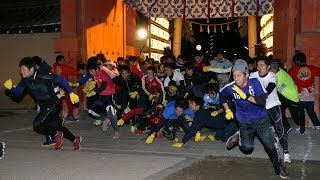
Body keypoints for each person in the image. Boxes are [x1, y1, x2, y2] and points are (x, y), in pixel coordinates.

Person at [219, 59, 288, 179]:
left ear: (246, 75)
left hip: (261, 119)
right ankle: (239, 135)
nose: (236, 79)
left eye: (239, 75)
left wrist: (245, 96)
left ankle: (279, 168)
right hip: (244, 121)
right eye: (234, 76)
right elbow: (222, 95)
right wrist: (227, 109)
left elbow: (262, 101)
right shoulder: (231, 86)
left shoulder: (255, 83)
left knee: (270, 146)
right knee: (247, 148)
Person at [4, 57, 82, 151]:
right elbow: (19, 92)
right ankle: (75, 140)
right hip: (44, 106)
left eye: (24, 69)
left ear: (31, 69)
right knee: (56, 127)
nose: (21, 71)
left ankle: (56, 134)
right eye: (21, 69)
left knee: (37, 124)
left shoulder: (43, 75)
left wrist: (71, 93)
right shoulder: (25, 80)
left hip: (53, 104)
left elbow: (61, 80)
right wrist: (11, 89)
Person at [250, 57, 291, 163]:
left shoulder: (272, 76)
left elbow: (271, 86)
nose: (259, 67)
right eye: (258, 65)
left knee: (279, 128)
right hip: (260, 107)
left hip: (273, 105)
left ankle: (286, 153)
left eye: (262, 65)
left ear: (268, 67)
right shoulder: (253, 76)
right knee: (257, 128)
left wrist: (263, 95)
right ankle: (273, 140)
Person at [171, 96, 237, 148]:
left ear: (197, 106)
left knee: (224, 138)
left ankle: (237, 133)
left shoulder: (200, 114)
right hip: (222, 126)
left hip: (231, 124)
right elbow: (198, 125)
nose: (190, 105)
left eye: (192, 103)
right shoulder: (200, 113)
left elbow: (193, 128)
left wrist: (182, 142)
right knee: (217, 136)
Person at [288, 52, 320, 133]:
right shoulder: (312, 68)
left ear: (295, 61)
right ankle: (317, 125)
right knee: (311, 111)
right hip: (310, 94)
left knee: (300, 112)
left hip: (299, 95)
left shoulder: (292, 70)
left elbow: (288, 79)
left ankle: (302, 127)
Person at [269, 60, 303, 134]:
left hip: (291, 97)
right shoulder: (279, 71)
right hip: (284, 96)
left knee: (296, 117)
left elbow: (273, 89)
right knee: (277, 110)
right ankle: (286, 126)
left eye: (269, 69)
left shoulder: (278, 76)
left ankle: (302, 125)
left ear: (273, 69)